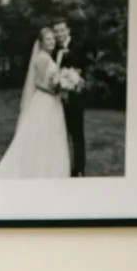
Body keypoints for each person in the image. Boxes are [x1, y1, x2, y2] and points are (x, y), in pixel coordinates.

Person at [0, 25, 71, 179]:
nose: (51, 41)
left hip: (51, 101)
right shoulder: (42, 58)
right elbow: (39, 83)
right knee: (44, 134)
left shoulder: (48, 56)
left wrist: (61, 84)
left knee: (50, 134)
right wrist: (57, 90)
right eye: (48, 39)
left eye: (52, 38)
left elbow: (49, 79)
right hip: (46, 101)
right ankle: (41, 169)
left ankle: (51, 168)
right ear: (41, 42)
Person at [52, 19, 87, 177]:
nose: (59, 34)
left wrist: (73, 81)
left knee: (77, 133)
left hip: (75, 99)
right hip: (56, 99)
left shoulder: (78, 46)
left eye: (61, 30)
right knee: (58, 132)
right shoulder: (53, 50)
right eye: (56, 31)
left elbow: (81, 71)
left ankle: (79, 168)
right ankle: (60, 165)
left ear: (68, 30)